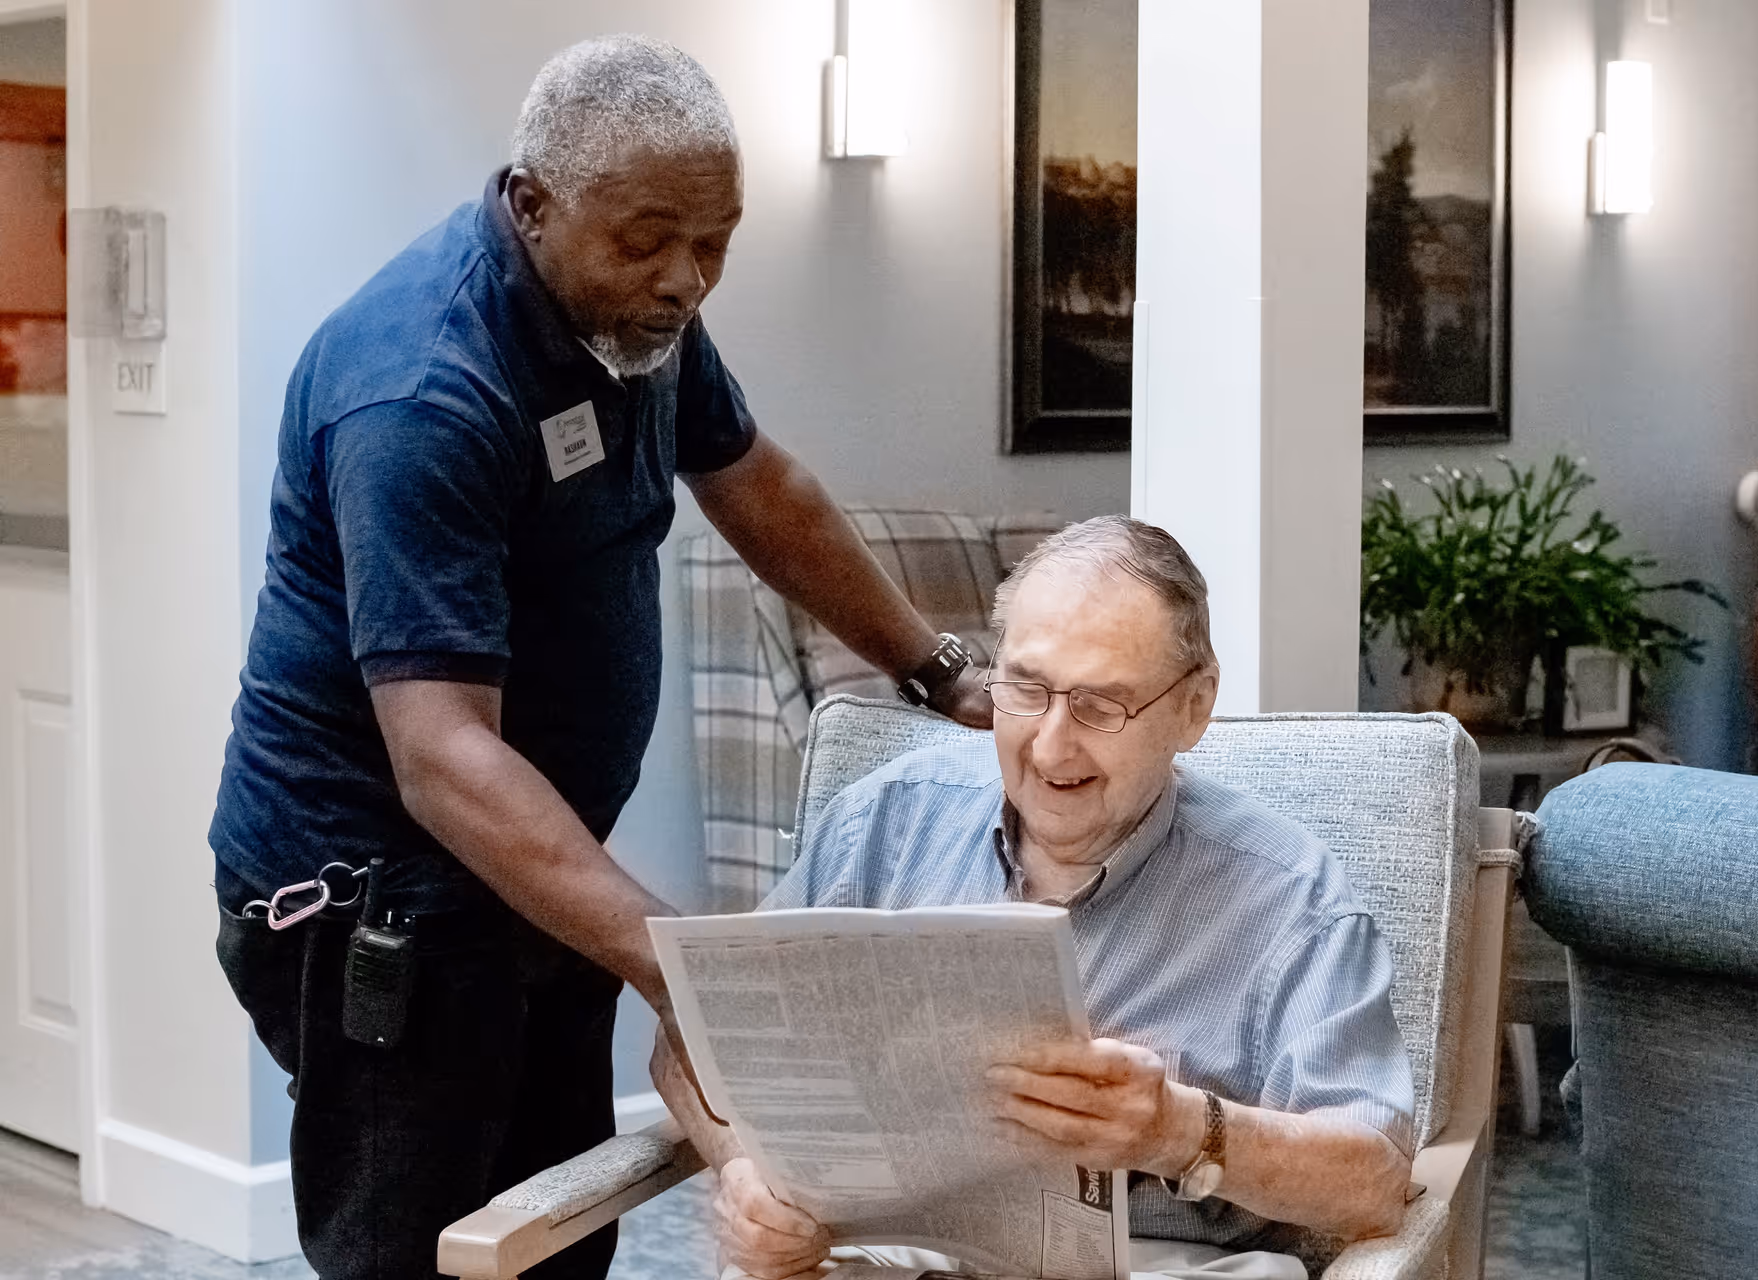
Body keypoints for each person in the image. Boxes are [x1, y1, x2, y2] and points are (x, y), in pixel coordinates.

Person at [209, 35, 989, 1280]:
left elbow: (765, 490)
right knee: (419, 1251)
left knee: (560, 1226)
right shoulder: (422, 391)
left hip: (536, 877)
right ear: (532, 203)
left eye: (716, 241)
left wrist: (940, 669)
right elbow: (445, 756)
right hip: (378, 905)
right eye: (648, 239)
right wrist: (684, 960)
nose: (687, 279)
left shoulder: (636, 317)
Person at [655, 516, 1417, 1280]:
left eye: (1100, 705)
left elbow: (1377, 1185)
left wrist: (1179, 1130)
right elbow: (689, 1037)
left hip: (1151, 1267)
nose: (1051, 747)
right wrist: (741, 1171)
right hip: (881, 1252)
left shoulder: (1289, 899)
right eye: (1024, 689)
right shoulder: (882, 824)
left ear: (1194, 706)